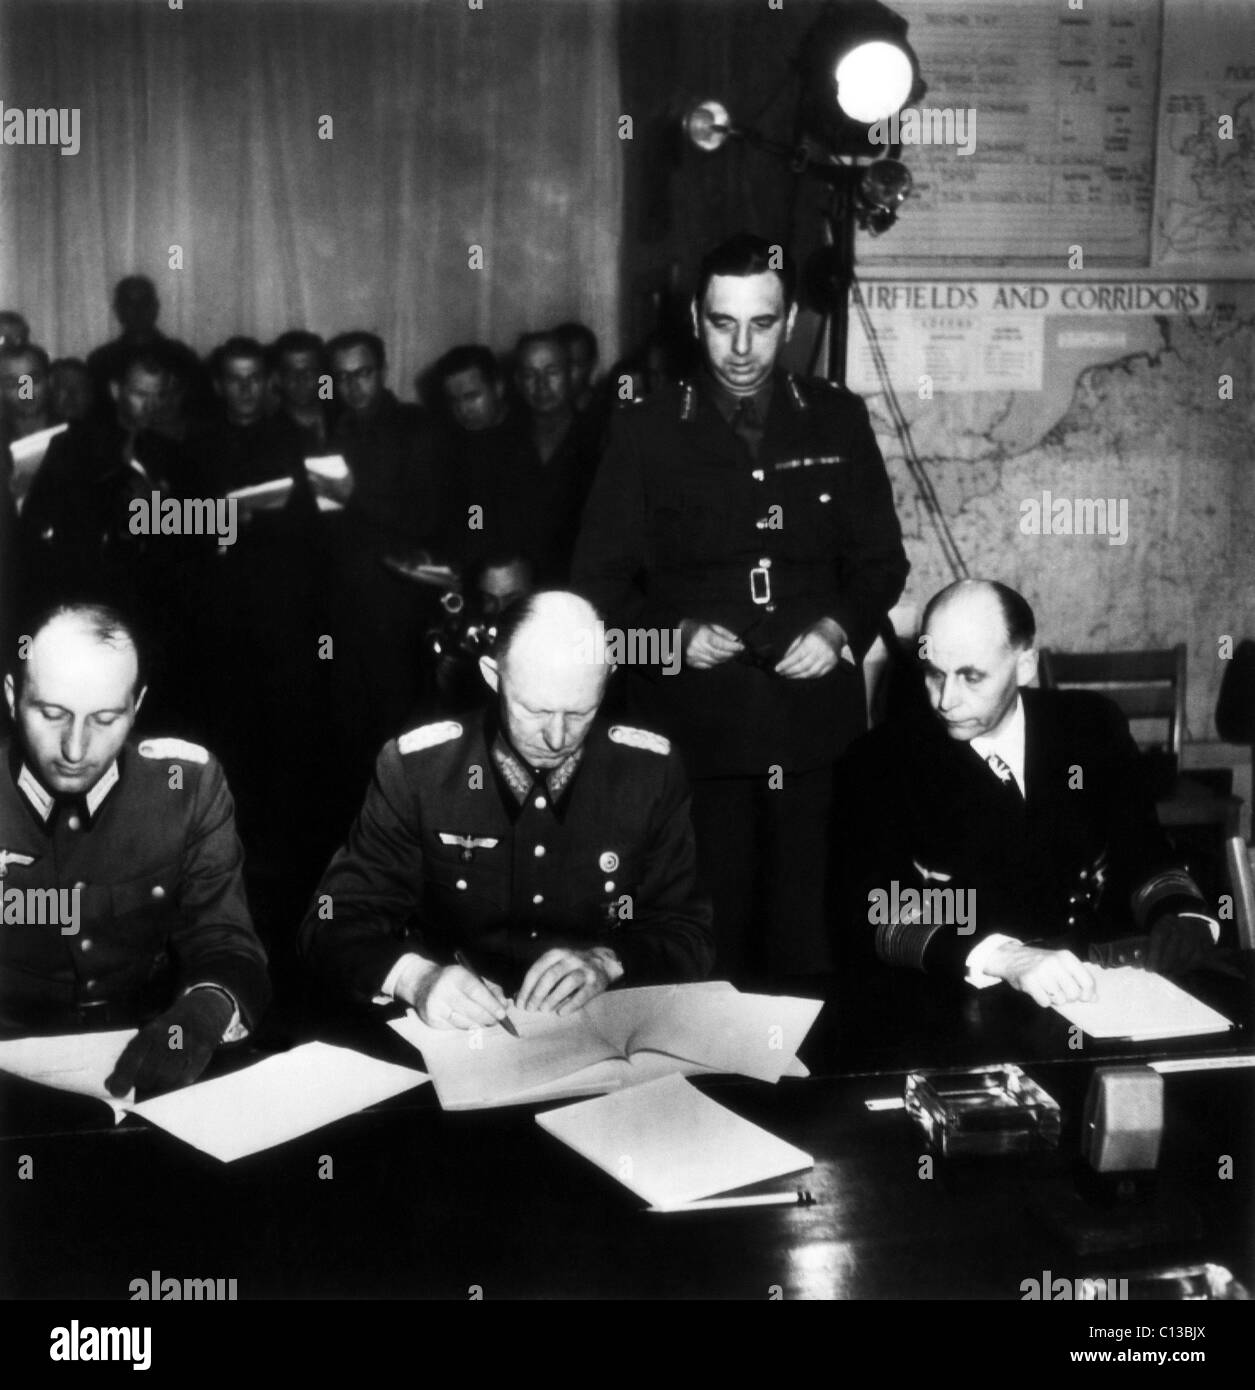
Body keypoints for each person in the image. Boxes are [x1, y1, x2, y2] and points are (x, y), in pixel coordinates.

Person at [573, 232, 908, 981]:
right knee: (700, 941)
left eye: (761, 323)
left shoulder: (836, 419)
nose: (741, 346)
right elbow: (595, 585)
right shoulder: (644, 429)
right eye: (723, 323)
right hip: (693, 733)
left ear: (788, 321)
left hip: (812, 730)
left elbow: (880, 563)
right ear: (696, 318)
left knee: (808, 940)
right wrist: (670, 638)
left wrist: (836, 628)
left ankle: (807, 1089)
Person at [298, 591, 713, 1026]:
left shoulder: (648, 773)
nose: (557, 737)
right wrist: (415, 979)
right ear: (493, 676)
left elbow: (688, 931)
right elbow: (330, 920)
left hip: (598, 1033)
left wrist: (610, 961)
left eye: (580, 713)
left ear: (608, 676)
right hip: (453, 1035)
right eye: (535, 710)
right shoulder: (420, 771)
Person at [835, 580, 1220, 1006]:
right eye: (934, 675)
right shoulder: (880, 760)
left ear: (1025, 665)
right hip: (959, 996)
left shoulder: (1089, 725)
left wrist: (1180, 913)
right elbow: (874, 911)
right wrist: (1004, 958)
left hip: (1098, 989)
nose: (946, 700)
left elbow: (1140, 847)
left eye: (972, 676)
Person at [0, 603, 270, 1093]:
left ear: (137, 704)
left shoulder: (186, 786)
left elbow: (227, 941)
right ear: (13, 696)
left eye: (105, 718)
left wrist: (206, 1009)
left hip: (151, 1050)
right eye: (52, 714)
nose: (75, 749)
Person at [84, 275, 208, 426]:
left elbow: (196, 412)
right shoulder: (101, 361)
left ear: (156, 306)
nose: (138, 310)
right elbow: (96, 414)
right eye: (129, 303)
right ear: (118, 309)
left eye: (144, 302)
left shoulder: (181, 356)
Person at [269, 329, 331, 453]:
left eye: (309, 371)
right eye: (291, 372)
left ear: (322, 375)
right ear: (278, 378)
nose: (301, 380)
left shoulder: (343, 420)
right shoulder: (268, 433)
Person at [553, 321, 599, 414]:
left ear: (591, 364)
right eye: (558, 365)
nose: (566, 373)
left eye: (574, 364)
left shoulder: (605, 411)